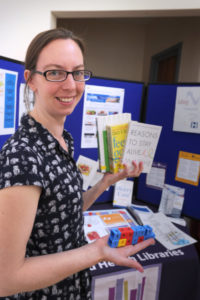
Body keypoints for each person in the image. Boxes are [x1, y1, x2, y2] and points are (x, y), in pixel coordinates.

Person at [0, 28, 155, 300]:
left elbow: (61, 215)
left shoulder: (62, 140)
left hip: (73, 287)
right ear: (31, 80)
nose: (71, 85)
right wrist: (96, 251)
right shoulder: (22, 156)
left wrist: (105, 183)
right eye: (55, 72)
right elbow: (5, 278)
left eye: (78, 72)